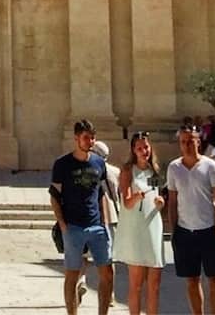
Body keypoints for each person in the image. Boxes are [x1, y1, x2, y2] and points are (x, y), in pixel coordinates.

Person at [52, 120, 114, 315]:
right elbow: (54, 195)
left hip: (97, 226)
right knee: (72, 274)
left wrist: (105, 223)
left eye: (92, 138)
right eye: (86, 137)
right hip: (73, 227)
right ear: (76, 138)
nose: (90, 141)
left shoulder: (98, 163)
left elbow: (101, 193)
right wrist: (62, 225)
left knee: (107, 273)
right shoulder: (62, 164)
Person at [166, 127, 215, 315]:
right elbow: (173, 200)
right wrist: (174, 230)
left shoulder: (211, 166)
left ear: (198, 142)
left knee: (214, 279)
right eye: (183, 141)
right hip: (185, 232)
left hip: (208, 230)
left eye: (191, 141)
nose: (187, 145)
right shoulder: (174, 168)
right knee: (192, 280)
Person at [114, 133, 166, 315]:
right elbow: (126, 202)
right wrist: (137, 196)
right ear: (133, 151)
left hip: (153, 225)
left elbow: (159, 194)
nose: (144, 151)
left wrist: (161, 202)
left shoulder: (154, 171)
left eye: (146, 147)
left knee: (154, 284)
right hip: (136, 229)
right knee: (136, 284)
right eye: (139, 148)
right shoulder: (128, 171)